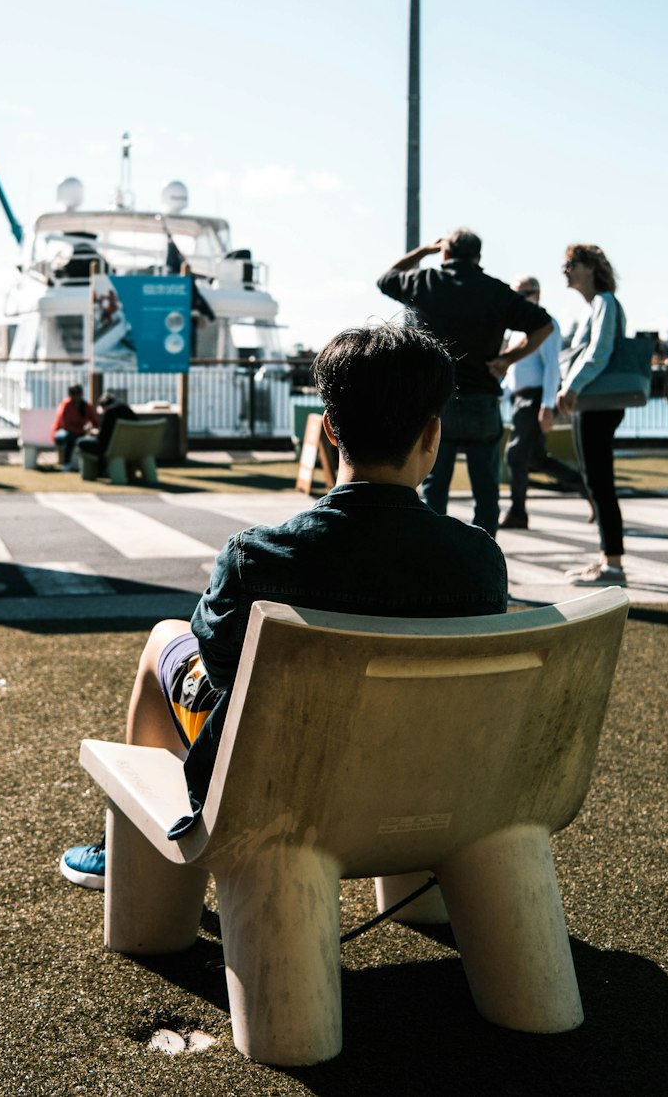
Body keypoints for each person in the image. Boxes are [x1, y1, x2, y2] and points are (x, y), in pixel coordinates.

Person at [59, 321, 508, 890]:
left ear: (329, 433)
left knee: (164, 640)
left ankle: (130, 854)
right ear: (432, 436)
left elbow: (223, 673)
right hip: (431, 789)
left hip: (276, 786)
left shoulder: (260, 556)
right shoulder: (479, 561)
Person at [377, 228, 553, 537]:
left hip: (437, 402)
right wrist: (508, 359)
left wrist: (422, 252)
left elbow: (386, 278)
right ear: (478, 256)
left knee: (434, 488)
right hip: (482, 401)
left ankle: (435, 560)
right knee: (486, 491)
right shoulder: (496, 291)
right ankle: (482, 563)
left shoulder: (424, 281)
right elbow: (544, 326)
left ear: (445, 253)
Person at [556, 244, 628, 587]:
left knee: (600, 483)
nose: (564, 269)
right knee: (595, 481)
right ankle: (605, 559)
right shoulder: (594, 307)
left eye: (571, 263)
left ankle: (613, 565)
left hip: (598, 405)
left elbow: (600, 352)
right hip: (592, 404)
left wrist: (571, 386)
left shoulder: (604, 302)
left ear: (589, 266)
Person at [500, 275, 583, 529]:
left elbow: (551, 371)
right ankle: (587, 487)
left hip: (535, 399)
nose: (520, 300)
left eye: (525, 294)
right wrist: (498, 393)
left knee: (515, 455)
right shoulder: (516, 330)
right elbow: (514, 373)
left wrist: (547, 407)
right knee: (537, 458)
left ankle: (518, 512)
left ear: (537, 294)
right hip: (521, 398)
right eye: (516, 295)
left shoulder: (546, 324)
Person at [73, 389, 136, 476]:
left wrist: (94, 433)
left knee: (80, 441)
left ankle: (96, 472)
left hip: (111, 448)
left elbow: (102, 438)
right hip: (131, 448)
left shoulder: (110, 412)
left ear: (103, 406)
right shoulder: (127, 410)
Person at [51, 384, 97, 470]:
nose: (76, 396)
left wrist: (95, 430)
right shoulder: (66, 405)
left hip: (78, 433)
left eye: (78, 393)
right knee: (70, 436)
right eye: (73, 393)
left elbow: (95, 421)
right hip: (61, 433)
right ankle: (66, 463)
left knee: (87, 439)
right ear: (70, 395)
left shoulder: (85, 406)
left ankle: (88, 466)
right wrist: (81, 432)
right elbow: (66, 426)